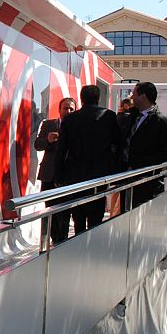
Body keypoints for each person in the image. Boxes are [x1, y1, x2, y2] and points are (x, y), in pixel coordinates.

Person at [54, 85, 120, 233]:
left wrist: (58, 176)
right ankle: (93, 246)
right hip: (99, 174)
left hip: (75, 174)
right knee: (96, 215)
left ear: (81, 99)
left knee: (78, 216)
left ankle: (79, 244)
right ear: (98, 99)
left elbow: (61, 150)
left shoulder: (70, 119)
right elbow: (117, 143)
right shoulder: (109, 116)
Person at [121, 81, 167, 207]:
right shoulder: (131, 116)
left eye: (134, 94)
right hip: (125, 179)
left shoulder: (163, 123)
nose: (131, 97)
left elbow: (164, 154)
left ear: (143, 96)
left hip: (147, 182)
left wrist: (137, 164)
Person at [33, 97, 76, 243]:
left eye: (71, 109)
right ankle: (53, 239)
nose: (68, 111)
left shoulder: (77, 127)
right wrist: (48, 141)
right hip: (49, 175)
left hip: (67, 176)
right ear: (59, 109)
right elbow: (37, 144)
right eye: (65, 108)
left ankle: (62, 240)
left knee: (65, 211)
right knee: (49, 209)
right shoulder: (49, 124)